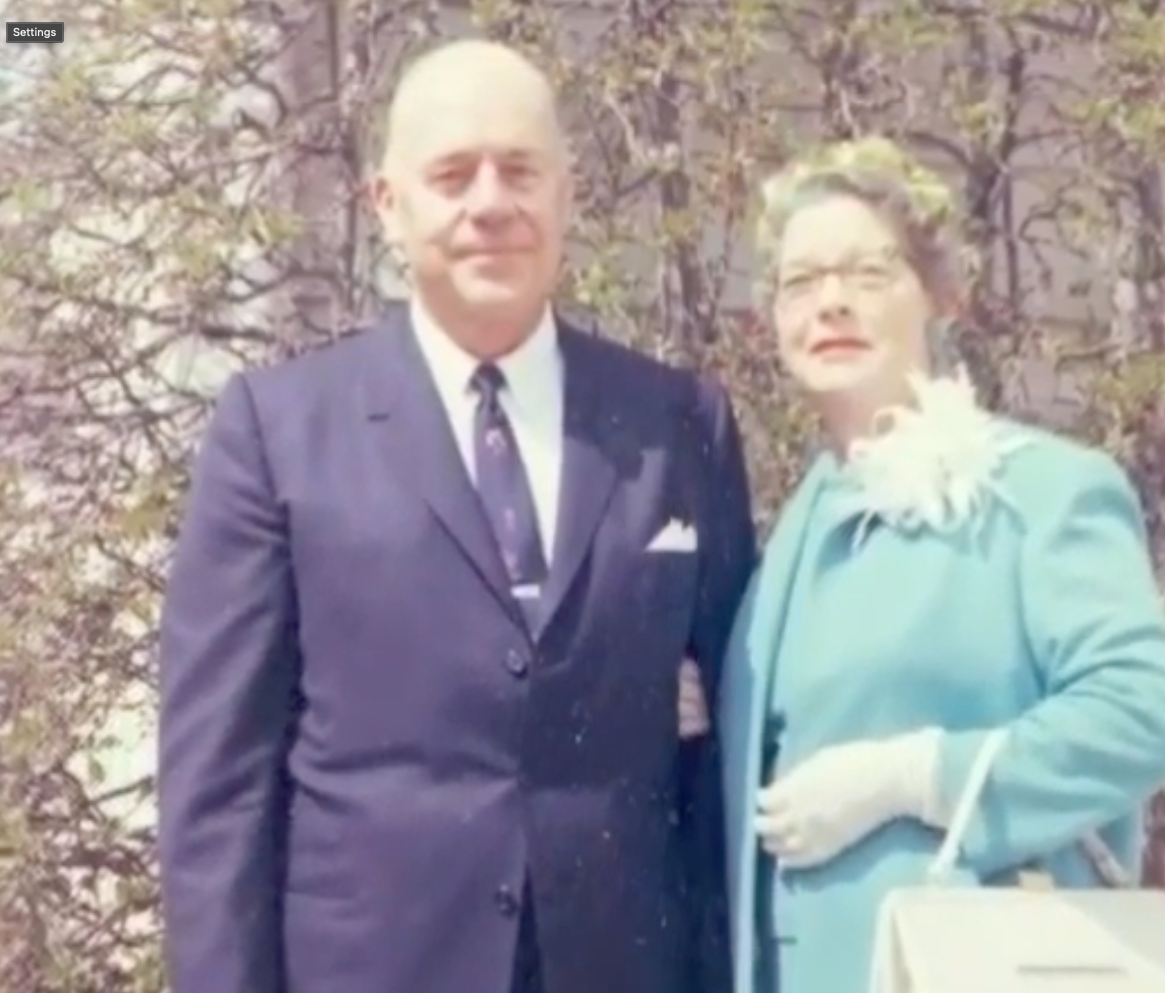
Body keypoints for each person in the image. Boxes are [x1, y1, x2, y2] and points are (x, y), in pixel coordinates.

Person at [157, 39, 756, 993]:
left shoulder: (678, 423)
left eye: (520, 170)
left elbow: (731, 741)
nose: (490, 203)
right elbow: (219, 785)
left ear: (566, 196)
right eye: (452, 174)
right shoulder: (277, 430)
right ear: (387, 206)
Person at [717, 136, 1165, 993]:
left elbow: (1144, 712)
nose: (830, 303)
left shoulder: (1042, 489)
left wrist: (915, 777)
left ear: (939, 296)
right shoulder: (784, 539)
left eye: (868, 274)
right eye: (801, 282)